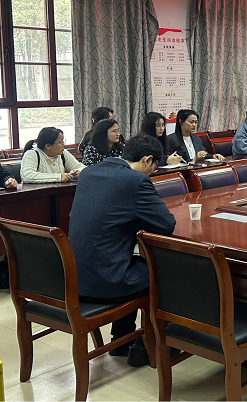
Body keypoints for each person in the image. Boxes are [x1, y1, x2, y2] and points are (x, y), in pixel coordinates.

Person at [69, 135, 177, 367]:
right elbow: (166, 224)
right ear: (147, 160)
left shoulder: (89, 173)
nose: (152, 174)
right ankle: (146, 347)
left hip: (74, 277)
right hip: (106, 281)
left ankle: (120, 339)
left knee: (130, 262)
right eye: (154, 168)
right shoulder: (136, 181)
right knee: (164, 271)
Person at [20, 127, 85, 183]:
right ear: (48, 146)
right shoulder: (32, 154)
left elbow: (82, 167)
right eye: (60, 142)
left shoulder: (63, 153)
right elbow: (27, 176)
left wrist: (78, 172)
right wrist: (58, 177)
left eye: (63, 141)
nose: (63, 145)